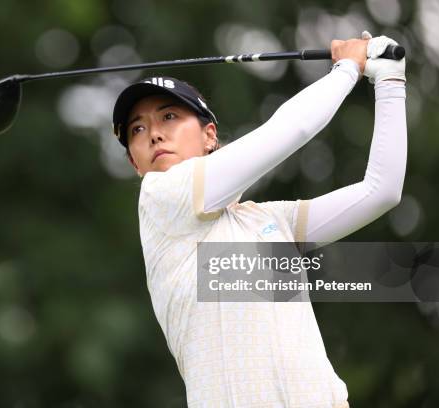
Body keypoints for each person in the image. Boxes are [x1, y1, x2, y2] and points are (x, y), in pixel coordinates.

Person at [111, 32, 406, 408]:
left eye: (169, 116)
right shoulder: (160, 197)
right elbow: (287, 132)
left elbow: (381, 191)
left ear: (209, 136)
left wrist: (391, 82)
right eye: (137, 129)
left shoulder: (269, 221)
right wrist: (347, 68)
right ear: (135, 163)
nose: (153, 134)